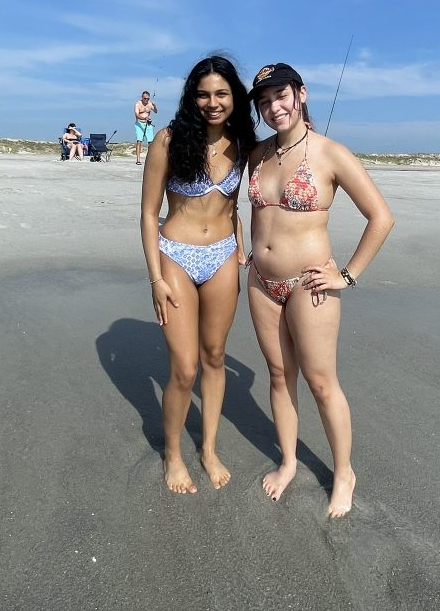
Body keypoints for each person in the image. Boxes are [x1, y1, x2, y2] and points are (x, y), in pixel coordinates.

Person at [245, 62, 394, 518]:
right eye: (264, 102)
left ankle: (344, 472)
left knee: (321, 381)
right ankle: (289, 462)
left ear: (301, 93)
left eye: (281, 96)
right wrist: (239, 249)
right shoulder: (257, 154)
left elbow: (381, 217)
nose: (274, 107)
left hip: (310, 283)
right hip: (260, 281)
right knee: (278, 375)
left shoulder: (331, 153)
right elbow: (239, 207)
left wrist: (347, 275)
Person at [139, 55, 257, 494]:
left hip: (223, 256)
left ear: (235, 97)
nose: (213, 102)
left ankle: (208, 449)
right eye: (204, 94)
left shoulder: (242, 142)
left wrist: (241, 244)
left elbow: (234, 204)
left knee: (215, 355)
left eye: (221, 93)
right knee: (185, 368)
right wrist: (156, 278)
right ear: (192, 97)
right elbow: (148, 213)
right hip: (176, 257)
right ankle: (173, 454)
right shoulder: (168, 141)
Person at [134, 90, 158, 165]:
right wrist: (144, 118)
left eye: (148, 98)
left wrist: (155, 106)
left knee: (150, 142)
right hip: (139, 124)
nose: (146, 100)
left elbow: (156, 111)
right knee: (139, 141)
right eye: (145, 98)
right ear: (142, 97)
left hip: (148, 124)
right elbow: (137, 115)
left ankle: (150, 159)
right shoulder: (138, 104)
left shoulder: (150, 104)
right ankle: (138, 159)